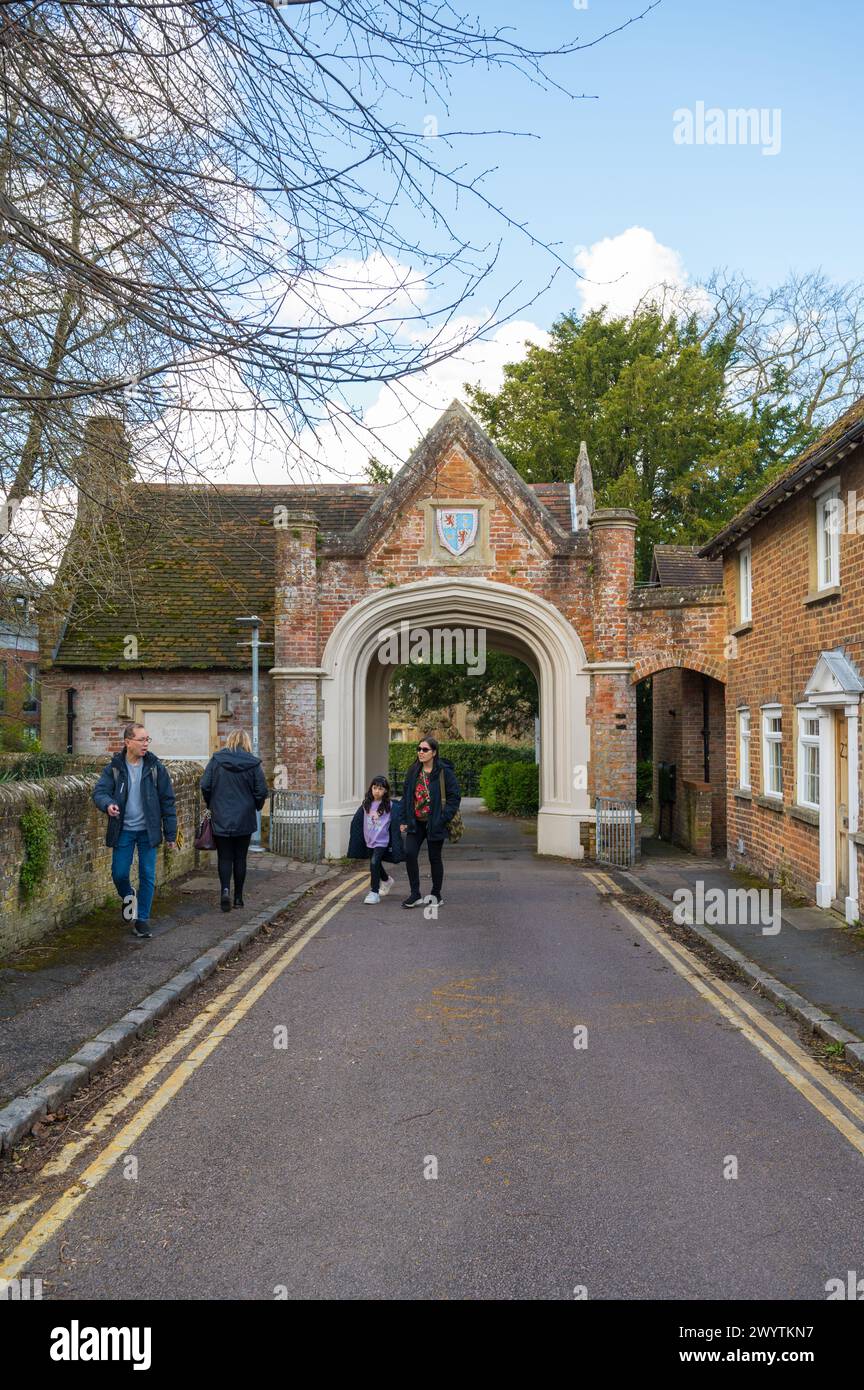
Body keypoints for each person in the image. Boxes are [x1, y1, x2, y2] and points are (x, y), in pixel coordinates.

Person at [92, 722, 177, 940]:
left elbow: (168, 802)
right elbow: (100, 792)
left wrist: (170, 834)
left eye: (147, 739)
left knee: (147, 875)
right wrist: (108, 804)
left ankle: (142, 920)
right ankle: (129, 897)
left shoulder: (156, 768)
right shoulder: (114, 767)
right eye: (141, 739)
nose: (145, 744)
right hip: (124, 830)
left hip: (148, 832)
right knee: (119, 873)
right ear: (128, 742)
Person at [200, 729, 269, 911]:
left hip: (221, 815)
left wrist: (211, 803)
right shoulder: (253, 764)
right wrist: (255, 805)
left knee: (224, 857)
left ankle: (224, 891)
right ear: (246, 742)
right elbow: (261, 791)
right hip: (244, 817)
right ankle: (238, 898)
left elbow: (205, 785)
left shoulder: (216, 760)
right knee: (240, 858)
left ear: (229, 741)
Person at [399, 735, 461, 909]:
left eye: (425, 749)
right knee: (410, 853)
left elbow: (454, 797)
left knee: (434, 858)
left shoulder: (443, 772)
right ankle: (415, 894)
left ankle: (436, 894)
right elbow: (406, 797)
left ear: (433, 752)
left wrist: (443, 819)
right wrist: (403, 819)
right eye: (419, 749)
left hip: (435, 823)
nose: (421, 752)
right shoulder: (413, 771)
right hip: (416, 822)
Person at [347, 775, 405, 903]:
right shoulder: (366, 804)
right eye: (374, 788)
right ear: (371, 789)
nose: (377, 791)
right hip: (369, 840)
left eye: (380, 789)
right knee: (375, 863)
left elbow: (399, 816)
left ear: (385, 791)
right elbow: (358, 821)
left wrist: (402, 824)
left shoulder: (390, 806)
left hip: (381, 841)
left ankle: (374, 892)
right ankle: (387, 880)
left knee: (374, 862)